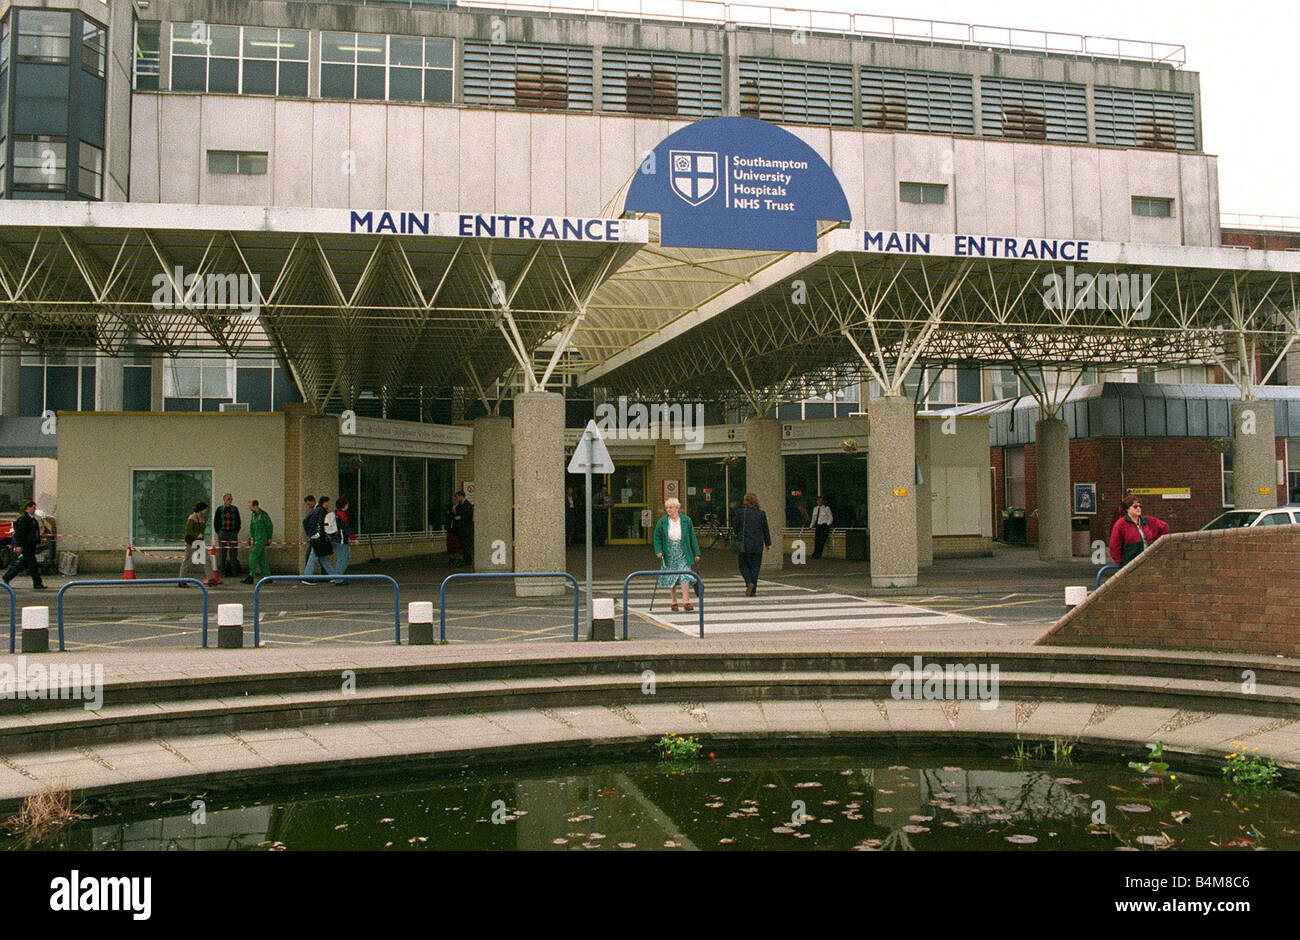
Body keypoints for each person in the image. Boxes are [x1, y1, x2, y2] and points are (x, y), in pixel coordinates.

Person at [653, 497, 701, 612]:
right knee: (672, 577)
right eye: (667, 508)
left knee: (685, 575)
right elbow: (657, 537)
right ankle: (674, 601)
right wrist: (659, 551)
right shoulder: (662, 521)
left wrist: (696, 553)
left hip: (683, 551)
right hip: (669, 552)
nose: (668, 510)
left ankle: (686, 602)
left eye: (670, 507)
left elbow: (692, 537)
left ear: (677, 508)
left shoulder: (686, 520)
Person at [1109, 495, 1170, 566]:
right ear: (1127, 509)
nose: (1138, 508)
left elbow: (1164, 527)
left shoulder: (1147, 520)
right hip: (1130, 563)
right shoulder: (1121, 524)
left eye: (1140, 506)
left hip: (1149, 562)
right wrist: (1120, 562)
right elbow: (1115, 544)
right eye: (1135, 506)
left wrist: (1157, 544)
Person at [732, 492, 772, 597]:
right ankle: (753, 589)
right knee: (755, 567)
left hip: (743, 543)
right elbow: (765, 530)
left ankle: (748, 582)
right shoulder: (761, 514)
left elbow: (735, 528)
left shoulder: (740, 513)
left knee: (743, 565)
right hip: (757, 544)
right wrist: (768, 543)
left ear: (745, 501)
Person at [3, 501, 46, 590]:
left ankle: (7, 576)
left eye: (35, 508)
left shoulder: (33, 520)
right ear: (28, 508)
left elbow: (35, 532)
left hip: (31, 545)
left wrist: (37, 541)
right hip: (26, 546)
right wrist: (18, 545)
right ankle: (37, 583)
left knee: (22, 564)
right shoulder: (23, 519)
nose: (34, 510)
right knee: (33, 565)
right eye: (33, 508)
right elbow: (20, 534)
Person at [303, 495, 335, 581]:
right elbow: (321, 525)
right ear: (324, 503)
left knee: (322, 558)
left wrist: (310, 534)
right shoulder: (322, 511)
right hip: (319, 538)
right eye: (327, 502)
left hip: (315, 537)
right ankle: (307, 577)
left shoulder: (315, 511)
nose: (328, 504)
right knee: (314, 558)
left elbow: (306, 521)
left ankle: (333, 576)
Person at [178, 501, 208, 586]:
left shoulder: (201, 518)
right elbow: (188, 529)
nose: (206, 511)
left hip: (199, 541)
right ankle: (181, 580)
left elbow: (202, 530)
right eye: (205, 509)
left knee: (206, 558)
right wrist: (197, 535)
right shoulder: (192, 517)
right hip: (191, 541)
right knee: (187, 560)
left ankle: (210, 578)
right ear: (201, 509)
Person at [243, 499, 272, 584]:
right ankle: (268, 576)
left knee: (253, 555)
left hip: (262, 538)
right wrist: (251, 538)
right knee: (262, 558)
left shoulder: (263, 515)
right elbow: (252, 527)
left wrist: (269, 537)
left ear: (255, 506)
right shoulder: (253, 515)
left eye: (250, 507)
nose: (250, 509)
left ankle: (251, 576)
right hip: (256, 539)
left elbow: (269, 526)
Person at [329, 497, 357, 584]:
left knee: (346, 557)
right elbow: (346, 528)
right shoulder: (342, 515)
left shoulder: (335, 514)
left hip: (334, 538)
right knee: (342, 559)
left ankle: (338, 576)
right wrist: (353, 538)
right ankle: (338, 578)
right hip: (341, 540)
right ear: (344, 505)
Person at [213, 492, 241, 577]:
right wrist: (219, 531)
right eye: (228, 499)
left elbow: (238, 521)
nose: (230, 500)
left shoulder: (235, 509)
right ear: (224, 500)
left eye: (231, 499)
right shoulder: (220, 509)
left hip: (232, 532)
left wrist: (236, 531)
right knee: (222, 553)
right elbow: (216, 521)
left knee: (233, 553)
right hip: (223, 532)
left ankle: (234, 572)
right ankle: (222, 572)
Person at [810, 495, 833, 559]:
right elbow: (813, 518)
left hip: (824, 526)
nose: (819, 502)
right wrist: (811, 525)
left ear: (823, 501)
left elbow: (830, 517)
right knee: (816, 540)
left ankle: (819, 554)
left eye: (821, 501)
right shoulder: (815, 508)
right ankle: (815, 553)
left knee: (822, 540)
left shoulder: (826, 508)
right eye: (818, 500)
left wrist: (827, 524)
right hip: (818, 526)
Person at [301, 495, 317, 566]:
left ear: (313, 501)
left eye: (309, 504)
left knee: (309, 556)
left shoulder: (317, 510)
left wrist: (310, 534)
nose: (308, 506)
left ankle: (307, 573)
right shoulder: (315, 510)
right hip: (314, 536)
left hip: (315, 536)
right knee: (322, 558)